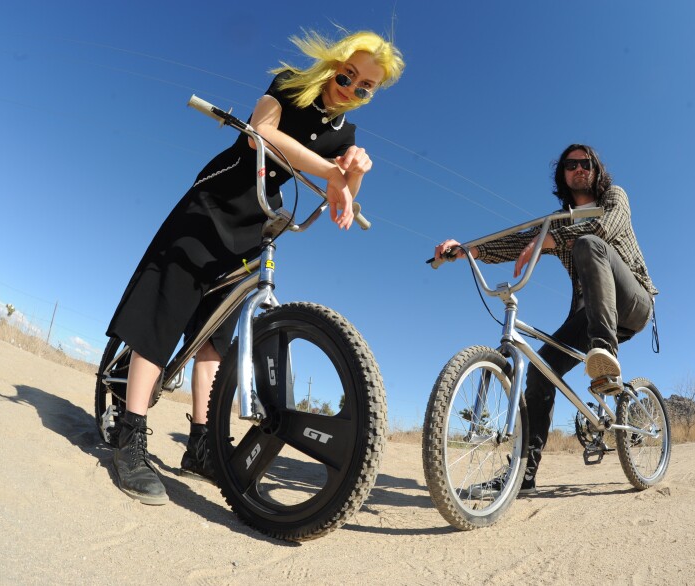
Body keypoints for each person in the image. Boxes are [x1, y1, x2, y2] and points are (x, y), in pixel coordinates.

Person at [106, 30, 404, 505]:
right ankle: (129, 439)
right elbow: (262, 134)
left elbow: (340, 198)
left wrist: (355, 174)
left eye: (365, 86)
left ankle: (200, 446)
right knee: (165, 313)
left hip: (257, 223)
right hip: (215, 204)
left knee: (215, 340)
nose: (351, 88)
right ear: (333, 63)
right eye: (348, 74)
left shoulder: (345, 133)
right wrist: (331, 172)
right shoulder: (290, 84)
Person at [434, 143, 657, 496]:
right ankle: (523, 474)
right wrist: (469, 249)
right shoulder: (560, 219)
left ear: (596, 170)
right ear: (562, 175)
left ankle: (604, 355)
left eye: (586, 163)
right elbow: (519, 242)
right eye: (571, 165)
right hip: (590, 315)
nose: (579, 168)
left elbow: (606, 227)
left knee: (586, 243)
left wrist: (553, 239)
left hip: (633, 303)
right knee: (540, 374)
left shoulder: (614, 197)